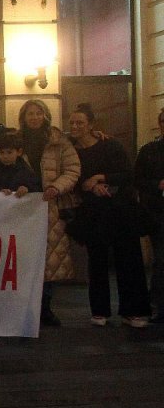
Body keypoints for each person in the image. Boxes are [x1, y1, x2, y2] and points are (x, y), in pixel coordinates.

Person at [66, 104, 151, 328]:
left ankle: (133, 311)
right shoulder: (71, 151)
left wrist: (101, 177)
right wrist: (90, 185)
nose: (75, 126)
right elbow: (72, 179)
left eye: (80, 123)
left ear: (91, 125)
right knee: (97, 262)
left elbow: (126, 173)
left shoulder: (110, 144)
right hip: (94, 212)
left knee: (128, 261)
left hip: (120, 210)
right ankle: (100, 310)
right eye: (72, 123)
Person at [19, 99, 80, 327]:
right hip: (23, 207)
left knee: (49, 259)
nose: (34, 117)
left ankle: (45, 308)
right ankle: (25, 307)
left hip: (50, 206)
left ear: (45, 116)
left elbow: (72, 169)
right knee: (25, 258)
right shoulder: (17, 141)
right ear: (23, 117)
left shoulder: (59, 142)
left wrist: (57, 187)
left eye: (38, 113)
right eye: (30, 114)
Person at [135, 108, 164, 323]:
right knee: (161, 261)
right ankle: (159, 306)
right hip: (158, 213)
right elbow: (138, 180)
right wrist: (157, 184)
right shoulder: (149, 151)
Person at [0, 132, 42, 197]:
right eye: (1, 152)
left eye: (9, 152)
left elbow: (37, 187)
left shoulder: (25, 170)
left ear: (19, 152)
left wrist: (27, 188)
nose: (5, 156)